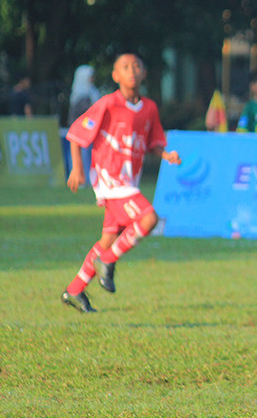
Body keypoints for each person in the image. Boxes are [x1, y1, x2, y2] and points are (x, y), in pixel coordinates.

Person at [61, 52, 181, 314]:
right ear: (115, 76)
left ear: (144, 73)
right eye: (125, 67)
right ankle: (109, 261)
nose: (132, 70)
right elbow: (75, 133)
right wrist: (77, 169)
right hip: (110, 178)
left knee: (108, 238)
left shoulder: (148, 107)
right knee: (148, 219)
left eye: (137, 65)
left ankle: (75, 289)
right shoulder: (108, 103)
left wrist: (166, 154)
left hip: (129, 181)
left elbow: (153, 142)